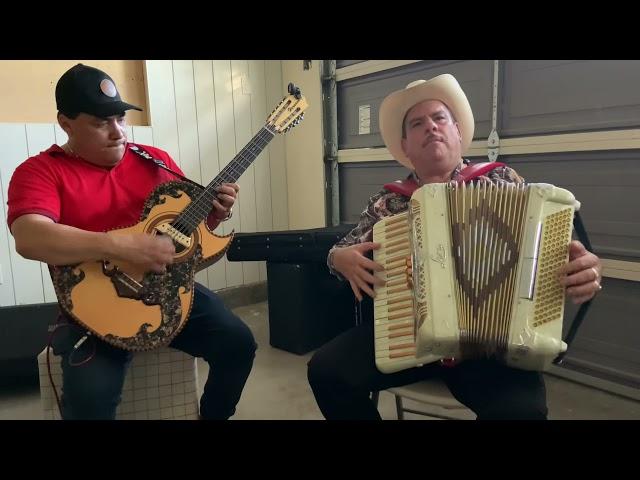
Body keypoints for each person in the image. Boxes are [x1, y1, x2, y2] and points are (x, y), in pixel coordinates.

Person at [307, 74, 603, 420]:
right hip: (407, 339)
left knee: (522, 413)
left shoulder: (502, 182)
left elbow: (556, 249)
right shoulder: (386, 202)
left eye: (439, 118)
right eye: (418, 123)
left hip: (489, 353)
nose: (430, 127)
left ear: (458, 133)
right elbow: (343, 249)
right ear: (405, 146)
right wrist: (338, 257)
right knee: (326, 372)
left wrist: (583, 266)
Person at [7, 63, 257, 420]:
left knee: (239, 343)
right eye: (99, 122)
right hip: (94, 303)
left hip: (170, 288)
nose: (118, 132)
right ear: (66, 123)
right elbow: (29, 237)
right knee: (90, 398)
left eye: (121, 118)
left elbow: (184, 228)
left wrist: (215, 213)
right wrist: (121, 246)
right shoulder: (40, 171)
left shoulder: (156, 160)